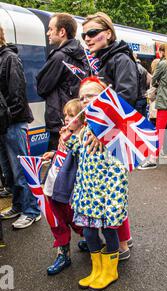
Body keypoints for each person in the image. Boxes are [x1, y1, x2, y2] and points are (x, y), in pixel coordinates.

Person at [60, 77, 128, 291]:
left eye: (91, 95)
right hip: (87, 192)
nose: (85, 100)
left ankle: (110, 270)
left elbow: (120, 166)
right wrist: (68, 139)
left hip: (106, 194)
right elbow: (81, 152)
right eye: (83, 97)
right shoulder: (87, 128)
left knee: (108, 232)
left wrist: (114, 199)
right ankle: (97, 269)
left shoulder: (114, 128)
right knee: (89, 232)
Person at [82, 12, 136, 256]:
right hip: (103, 133)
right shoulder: (104, 59)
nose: (87, 38)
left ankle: (122, 246)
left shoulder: (119, 59)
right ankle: (124, 239)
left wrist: (99, 130)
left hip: (112, 137)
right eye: (85, 35)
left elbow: (125, 98)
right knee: (108, 192)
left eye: (93, 33)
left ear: (108, 34)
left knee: (112, 193)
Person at [0, 25, 41, 228]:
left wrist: (7, 118)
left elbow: (17, 94)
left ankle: (32, 210)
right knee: (9, 170)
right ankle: (18, 205)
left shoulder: (9, 58)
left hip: (13, 123)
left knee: (20, 169)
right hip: (3, 124)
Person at [43, 99, 85, 275]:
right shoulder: (64, 135)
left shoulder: (82, 139)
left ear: (83, 119)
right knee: (57, 222)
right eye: (66, 115)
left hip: (68, 191)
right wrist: (53, 153)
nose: (67, 118)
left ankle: (90, 239)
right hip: (52, 187)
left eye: (72, 115)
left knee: (77, 220)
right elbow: (62, 157)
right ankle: (63, 254)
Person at [37, 13, 88, 151]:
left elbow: (42, 88)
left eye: (50, 29)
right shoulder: (82, 55)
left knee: (57, 166)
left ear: (62, 32)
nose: (48, 33)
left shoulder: (59, 57)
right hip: (77, 119)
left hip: (60, 121)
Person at [138, 43, 167, 169]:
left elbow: (153, 79)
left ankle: (152, 159)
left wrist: (160, 83)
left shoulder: (162, 64)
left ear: (162, 52)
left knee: (159, 130)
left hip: (164, 100)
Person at [134, 53, 151, 118]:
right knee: (144, 120)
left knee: (135, 120)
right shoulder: (143, 68)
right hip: (144, 97)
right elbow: (150, 79)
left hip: (137, 98)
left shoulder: (133, 68)